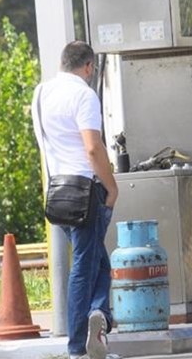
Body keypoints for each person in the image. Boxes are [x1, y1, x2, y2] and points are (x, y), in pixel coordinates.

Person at [31, 41, 119, 359]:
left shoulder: (41, 93)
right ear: (89, 66)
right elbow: (93, 148)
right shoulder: (84, 95)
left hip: (58, 192)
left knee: (97, 261)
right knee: (84, 265)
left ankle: (98, 317)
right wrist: (112, 188)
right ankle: (79, 346)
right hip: (87, 191)